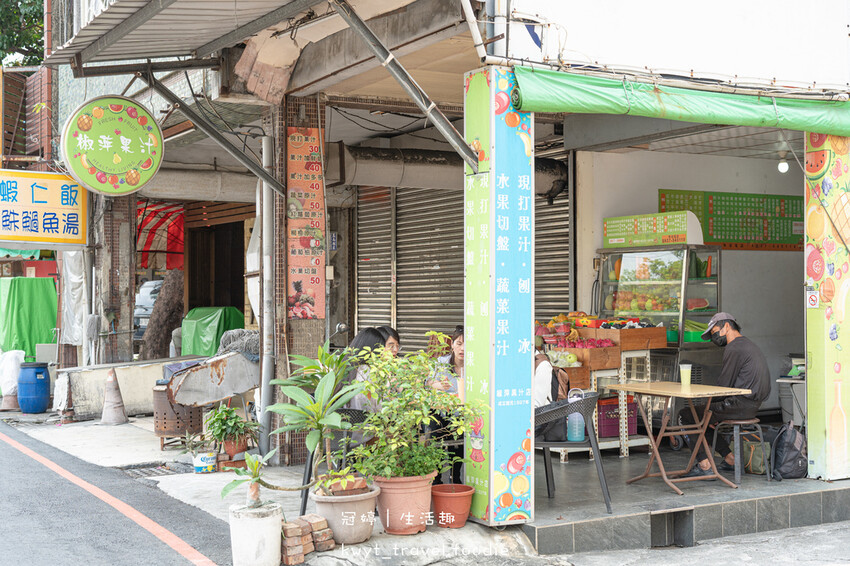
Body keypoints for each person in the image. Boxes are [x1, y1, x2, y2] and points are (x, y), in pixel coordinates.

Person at [679, 312, 771, 478]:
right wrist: (711, 412)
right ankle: (730, 459)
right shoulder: (748, 345)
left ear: (726, 326)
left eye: (714, 332)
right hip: (752, 406)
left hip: (738, 405)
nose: (714, 337)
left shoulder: (734, 347)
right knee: (704, 417)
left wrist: (710, 408)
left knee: (687, 415)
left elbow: (723, 386)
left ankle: (704, 464)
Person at [429, 325, 465, 484]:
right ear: (452, 344)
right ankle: (436, 477)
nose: (463, 348)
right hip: (441, 410)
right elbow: (428, 382)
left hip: (463, 413)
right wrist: (435, 385)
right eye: (459, 343)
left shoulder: (477, 367)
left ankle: (455, 476)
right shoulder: (441, 363)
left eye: (468, 345)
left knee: (460, 432)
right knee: (433, 425)